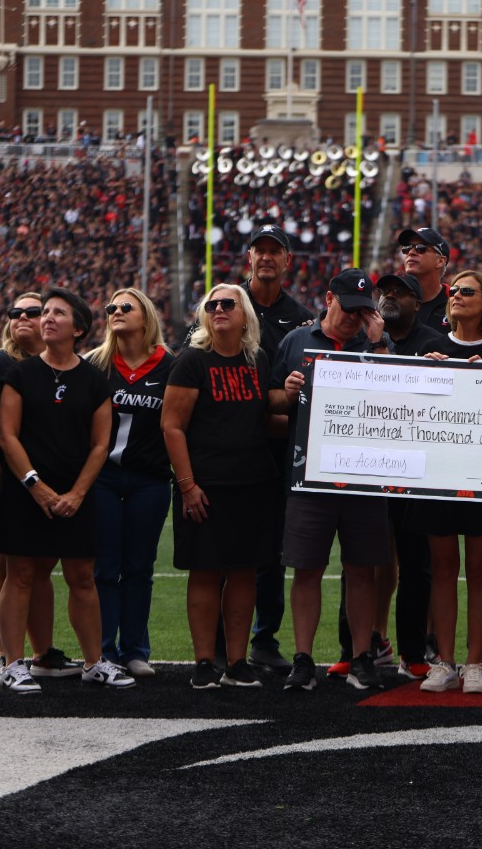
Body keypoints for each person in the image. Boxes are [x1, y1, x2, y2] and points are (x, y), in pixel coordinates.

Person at [0, 287, 132, 693]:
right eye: (45, 312)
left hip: (77, 494)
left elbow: (100, 445)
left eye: (58, 313)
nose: (47, 318)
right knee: (19, 575)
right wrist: (36, 486)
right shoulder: (19, 374)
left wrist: (75, 494)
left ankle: (94, 662)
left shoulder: (94, 380)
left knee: (82, 577)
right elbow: (7, 436)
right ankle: (13, 663)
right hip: (25, 492)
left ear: (80, 328)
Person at [275, 269, 391, 692]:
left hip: (363, 477)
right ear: (328, 299)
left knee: (362, 570)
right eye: (348, 308)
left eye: (363, 311)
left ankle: (362, 656)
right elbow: (268, 405)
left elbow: (399, 407)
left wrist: (379, 344)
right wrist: (285, 393)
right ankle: (303, 659)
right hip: (311, 475)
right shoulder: (296, 342)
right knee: (306, 569)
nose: (353, 319)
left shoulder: (375, 344)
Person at [162, 284, 279, 689]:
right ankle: (203, 663)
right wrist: (188, 485)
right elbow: (171, 426)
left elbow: (263, 418)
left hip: (252, 482)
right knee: (206, 572)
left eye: (228, 303)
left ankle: (236, 661)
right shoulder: (192, 361)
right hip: (206, 484)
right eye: (212, 305)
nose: (219, 309)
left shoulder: (257, 360)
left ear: (245, 313)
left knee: (245, 573)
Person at [414, 269, 482, 694]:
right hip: (439, 471)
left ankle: (475, 662)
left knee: (480, 569)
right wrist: (421, 374)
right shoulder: (431, 347)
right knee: (442, 567)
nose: (457, 296)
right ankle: (444, 661)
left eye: (467, 291)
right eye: (454, 291)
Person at [0, 293, 77, 680]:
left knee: (41, 567)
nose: (22, 317)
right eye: (15, 312)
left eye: (33, 312)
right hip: (4, 480)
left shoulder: (66, 366)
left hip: (50, 480)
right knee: (3, 566)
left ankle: (41, 652)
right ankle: (6, 655)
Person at [86, 288, 174, 679]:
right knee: (105, 567)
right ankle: (104, 649)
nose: (116, 312)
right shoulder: (95, 364)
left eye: (126, 307)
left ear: (146, 316)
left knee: (139, 566)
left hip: (150, 479)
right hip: (102, 478)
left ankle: (135, 649)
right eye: (111, 308)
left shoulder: (170, 366)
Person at [242, 223, 314, 674]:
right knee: (231, 547)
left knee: (270, 550)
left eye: (275, 251)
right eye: (260, 250)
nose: (267, 257)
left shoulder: (301, 318)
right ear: (249, 257)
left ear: (288, 260)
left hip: (279, 446)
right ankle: (217, 642)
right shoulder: (226, 306)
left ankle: (263, 638)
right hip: (233, 445)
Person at [375, 272, 440, 679]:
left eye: (400, 292)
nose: (390, 296)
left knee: (416, 563)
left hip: (417, 467)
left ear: (418, 302)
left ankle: (413, 651)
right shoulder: (360, 335)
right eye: (385, 291)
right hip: (368, 464)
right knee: (361, 561)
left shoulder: (433, 342)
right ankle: (358, 647)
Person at [398, 227, 453, 332]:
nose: (411, 252)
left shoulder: (456, 303)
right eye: (407, 248)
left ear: (440, 261)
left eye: (421, 248)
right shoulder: (394, 301)